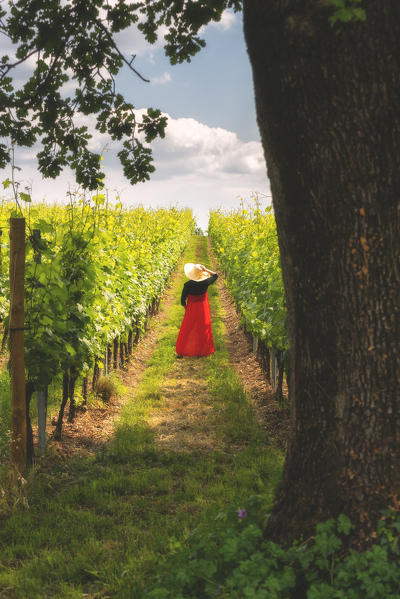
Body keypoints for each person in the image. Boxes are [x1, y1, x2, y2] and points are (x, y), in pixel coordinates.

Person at [175, 262, 218, 357]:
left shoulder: (187, 285)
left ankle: (181, 352)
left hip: (191, 308)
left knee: (187, 328)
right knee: (202, 328)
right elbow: (215, 275)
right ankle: (202, 351)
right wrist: (205, 269)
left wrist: (186, 308)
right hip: (203, 308)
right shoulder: (206, 282)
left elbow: (182, 300)